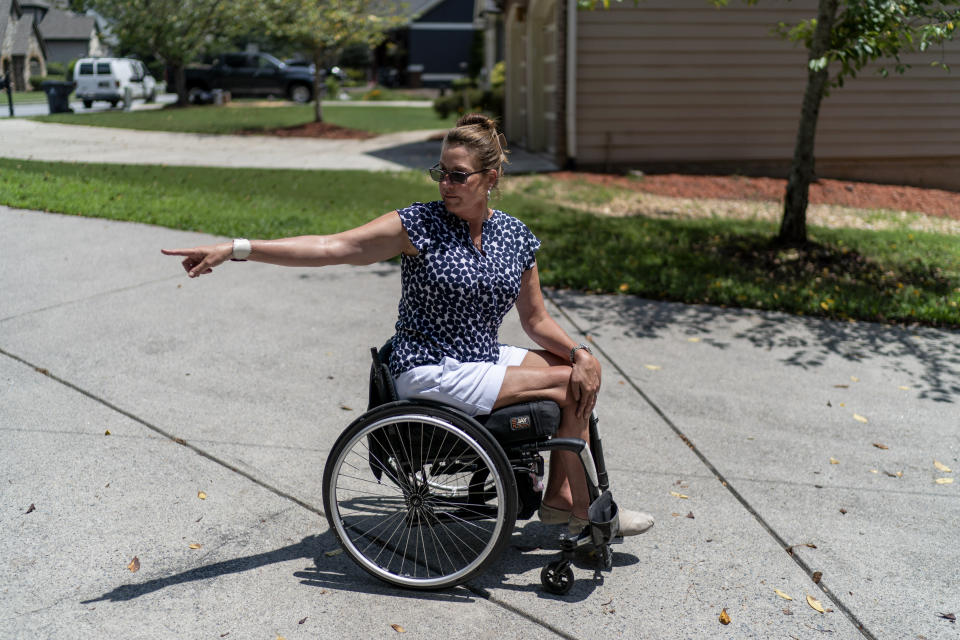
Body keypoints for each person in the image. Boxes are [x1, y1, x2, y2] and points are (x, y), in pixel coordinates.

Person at [161, 113, 653, 536]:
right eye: (441, 172)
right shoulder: (418, 225)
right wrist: (238, 248)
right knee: (569, 382)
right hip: (430, 364)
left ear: (492, 176)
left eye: (458, 176)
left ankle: (562, 498)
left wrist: (579, 351)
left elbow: (536, 319)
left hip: (477, 356)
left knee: (578, 369)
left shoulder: (514, 237)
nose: (445, 184)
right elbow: (333, 247)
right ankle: (584, 509)